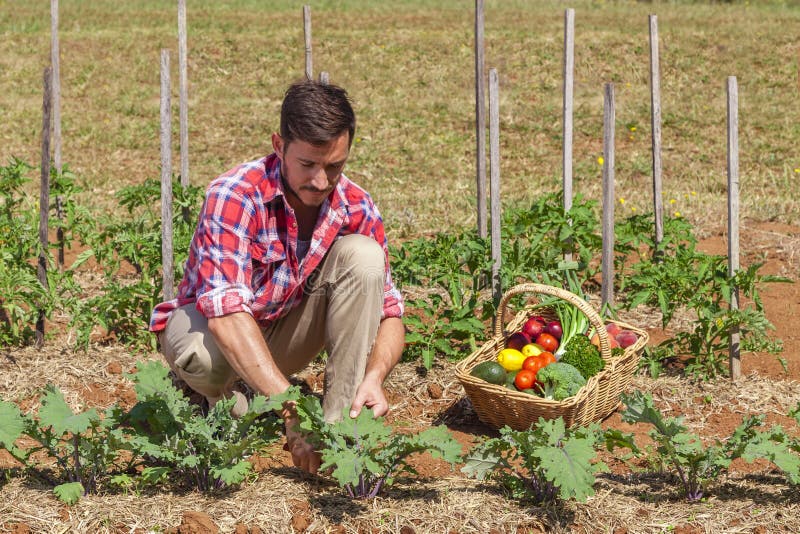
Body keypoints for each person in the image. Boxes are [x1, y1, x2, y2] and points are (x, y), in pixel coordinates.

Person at [149, 80, 405, 474]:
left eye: (334, 166)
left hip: (282, 334)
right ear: (279, 145)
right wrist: (292, 409)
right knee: (204, 361)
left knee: (364, 258)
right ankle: (225, 399)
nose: (321, 181)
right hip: (212, 334)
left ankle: (336, 433)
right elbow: (226, 315)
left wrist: (375, 376)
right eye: (308, 164)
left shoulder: (356, 204)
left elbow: (391, 313)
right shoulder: (235, 195)